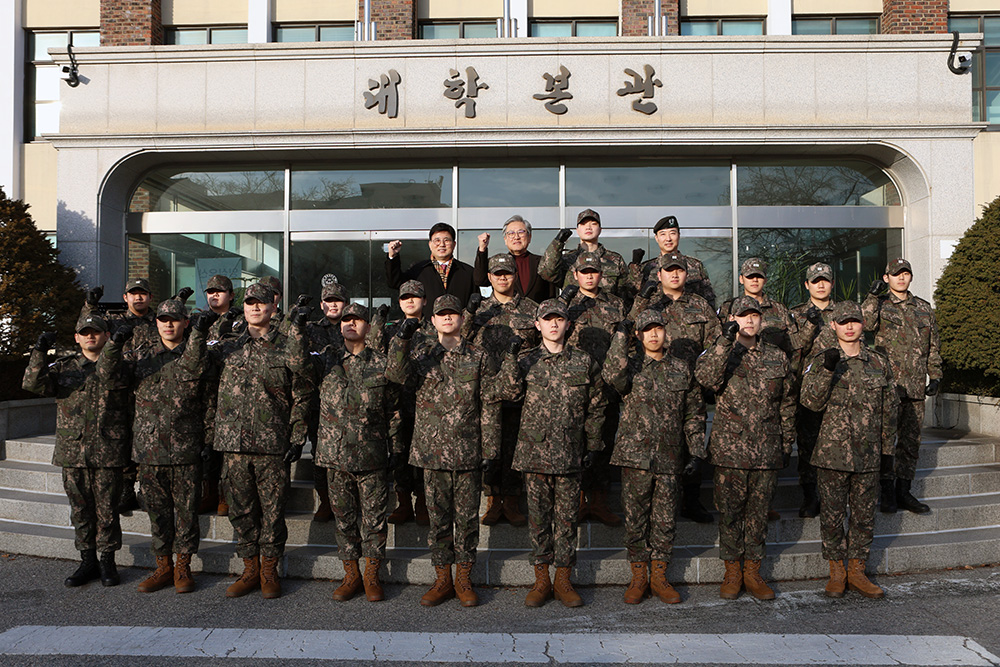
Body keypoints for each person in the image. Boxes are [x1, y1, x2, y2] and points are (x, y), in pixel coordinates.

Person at [386, 294, 501, 608]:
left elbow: (489, 404)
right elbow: (396, 376)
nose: (448, 318)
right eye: (442, 314)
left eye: (453, 313)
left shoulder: (479, 356)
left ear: (462, 320)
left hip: (468, 452)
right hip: (432, 452)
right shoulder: (422, 355)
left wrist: (490, 448)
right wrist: (402, 340)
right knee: (438, 521)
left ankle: (464, 579)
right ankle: (442, 579)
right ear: (433, 320)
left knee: (466, 521)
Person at [209, 282, 312, 599]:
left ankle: (269, 570)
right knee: (241, 512)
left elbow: (302, 391)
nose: (255, 307)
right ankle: (249, 569)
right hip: (234, 445)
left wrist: (297, 433)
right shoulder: (227, 346)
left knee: (272, 512)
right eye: (250, 302)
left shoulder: (287, 346)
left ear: (273, 307)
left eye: (261, 302)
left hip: (271, 445)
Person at [503, 298, 608, 608]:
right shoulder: (524, 361)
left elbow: (597, 405)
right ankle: (541, 579)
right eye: (547, 319)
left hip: (570, 452)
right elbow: (506, 394)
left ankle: (563, 579)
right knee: (538, 519)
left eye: (559, 319)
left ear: (567, 324)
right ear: (537, 325)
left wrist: (592, 444)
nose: (553, 324)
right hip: (534, 453)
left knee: (565, 520)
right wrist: (510, 360)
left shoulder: (584, 362)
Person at [603, 309, 707, 605]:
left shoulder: (682, 368)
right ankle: (638, 576)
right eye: (646, 329)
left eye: (658, 328)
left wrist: (696, 451)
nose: (653, 334)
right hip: (634, 457)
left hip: (670, 456)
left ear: (666, 332)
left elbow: (694, 413)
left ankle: (660, 576)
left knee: (664, 520)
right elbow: (612, 375)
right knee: (636, 519)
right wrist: (620, 338)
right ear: (638, 335)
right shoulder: (630, 366)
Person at [696, 295, 795, 601]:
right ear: (732, 320)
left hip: (766, 449)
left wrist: (786, 442)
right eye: (743, 316)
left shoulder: (777, 357)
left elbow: (787, 403)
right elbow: (706, 380)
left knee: (758, 514)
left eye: (754, 315)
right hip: (730, 451)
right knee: (729, 514)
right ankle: (732, 572)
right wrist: (725, 345)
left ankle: (753, 571)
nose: (750, 320)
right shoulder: (720, 353)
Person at [22, 314, 131, 588]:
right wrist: (38, 352)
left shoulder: (119, 366)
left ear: (106, 336)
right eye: (85, 332)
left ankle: (108, 561)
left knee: (107, 511)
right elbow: (33, 384)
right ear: (76, 337)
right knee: (80, 511)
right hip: (73, 452)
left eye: (96, 332)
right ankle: (87, 561)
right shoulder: (64, 368)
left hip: (108, 451)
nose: (90, 336)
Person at [800, 301, 898, 599]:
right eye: (844, 322)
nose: (850, 326)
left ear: (863, 324)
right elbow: (810, 402)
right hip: (832, 454)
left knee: (864, 516)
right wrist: (827, 370)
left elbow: (890, 409)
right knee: (831, 515)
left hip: (868, 453)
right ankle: (836, 572)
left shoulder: (879, 362)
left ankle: (857, 570)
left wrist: (887, 450)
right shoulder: (823, 360)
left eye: (855, 321)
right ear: (834, 326)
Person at [315, 303, 402, 603]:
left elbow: (393, 408)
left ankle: (371, 574)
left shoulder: (382, 363)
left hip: (371, 453)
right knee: (344, 519)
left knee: (375, 520)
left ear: (368, 326)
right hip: (335, 454)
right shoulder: (327, 359)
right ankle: (350, 574)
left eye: (358, 319)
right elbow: (297, 365)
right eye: (346, 320)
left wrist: (395, 446)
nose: (351, 324)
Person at [128, 298, 217, 594]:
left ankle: (183, 568)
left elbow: (208, 401)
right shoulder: (140, 358)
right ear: (156, 323)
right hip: (149, 450)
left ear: (186, 323)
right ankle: (163, 566)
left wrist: (207, 439)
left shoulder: (197, 354)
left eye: (175, 319)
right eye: (163, 319)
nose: (168, 324)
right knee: (158, 514)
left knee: (187, 514)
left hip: (185, 449)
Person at [628, 253, 720, 524]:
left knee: (692, 441)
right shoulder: (651, 304)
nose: (675, 275)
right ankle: (656, 503)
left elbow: (713, 344)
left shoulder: (701, 306)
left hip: (690, 385)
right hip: (654, 383)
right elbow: (630, 330)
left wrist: (704, 375)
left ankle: (691, 501)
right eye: (669, 271)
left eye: (680, 270)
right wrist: (642, 299)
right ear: (660, 275)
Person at [461, 254, 540, 526]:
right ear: (490, 277)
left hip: (522, 390)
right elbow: (459, 340)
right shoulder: (479, 310)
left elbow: (544, 345)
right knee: (490, 447)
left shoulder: (532, 309)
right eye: (497, 274)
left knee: (516, 446)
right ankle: (494, 500)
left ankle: (514, 500)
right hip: (488, 390)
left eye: (507, 273)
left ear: (515, 276)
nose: (502, 278)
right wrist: (469, 313)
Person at [862, 258, 943, 515]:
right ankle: (886, 492)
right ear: (887, 278)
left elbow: (933, 346)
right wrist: (871, 297)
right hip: (889, 387)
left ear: (910, 277)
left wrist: (936, 375)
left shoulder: (923, 308)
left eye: (905, 273)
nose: (901, 278)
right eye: (896, 274)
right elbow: (865, 325)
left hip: (915, 386)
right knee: (886, 441)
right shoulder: (880, 304)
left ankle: (904, 491)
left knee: (910, 443)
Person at [81, 277, 159, 515]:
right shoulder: (113, 321)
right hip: (119, 387)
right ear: (125, 297)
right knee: (122, 434)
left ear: (149, 297)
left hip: (150, 387)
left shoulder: (159, 321)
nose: (138, 297)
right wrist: (89, 306)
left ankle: (146, 488)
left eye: (142, 293)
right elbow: (86, 328)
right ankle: (125, 487)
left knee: (149, 435)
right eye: (133, 294)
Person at [560, 252, 625, 526]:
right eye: (584, 271)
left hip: (606, 384)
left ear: (601, 275)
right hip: (573, 385)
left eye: (594, 272)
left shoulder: (617, 305)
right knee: (572, 441)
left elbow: (627, 341)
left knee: (603, 443)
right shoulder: (566, 305)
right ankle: (575, 501)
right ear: (575, 275)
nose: (589, 276)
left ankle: (599, 502)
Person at [372, 280, 436, 526]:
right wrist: (378, 321)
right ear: (399, 302)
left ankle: (422, 502)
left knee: (422, 455)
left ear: (425, 301)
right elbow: (375, 351)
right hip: (395, 402)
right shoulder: (390, 329)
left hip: (424, 402)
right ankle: (403, 502)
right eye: (405, 297)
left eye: (415, 297)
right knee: (399, 453)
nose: (410, 301)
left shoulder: (433, 328)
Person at [790, 262, 838, 518]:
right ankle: (810, 496)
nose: (821, 284)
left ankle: (832, 496)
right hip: (807, 390)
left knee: (834, 444)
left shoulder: (843, 312)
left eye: (825, 280)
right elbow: (793, 350)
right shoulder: (795, 314)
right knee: (808, 445)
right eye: (815, 280)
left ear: (832, 283)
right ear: (807, 284)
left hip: (839, 389)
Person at [305, 274, 349, 524]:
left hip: (348, 402)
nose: (333, 305)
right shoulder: (311, 329)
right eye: (328, 301)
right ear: (321, 304)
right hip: (319, 403)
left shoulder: (353, 325)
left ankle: (345, 500)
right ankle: (325, 500)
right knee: (320, 455)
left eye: (338, 301)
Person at [385, 222, 476, 320]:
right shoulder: (418, 270)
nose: (442, 244)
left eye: (446, 240)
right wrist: (393, 257)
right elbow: (395, 282)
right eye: (437, 240)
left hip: (458, 329)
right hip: (426, 330)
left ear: (454, 244)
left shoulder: (468, 272)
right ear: (430, 245)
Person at [628, 215, 717, 309]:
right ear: (656, 238)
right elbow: (632, 299)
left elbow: (709, 300)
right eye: (663, 234)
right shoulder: (647, 268)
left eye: (672, 233)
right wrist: (634, 268)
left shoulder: (695, 265)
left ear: (679, 235)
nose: (668, 239)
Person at [538, 209, 628, 300]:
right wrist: (557, 243)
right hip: (574, 311)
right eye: (583, 224)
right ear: (577, 230)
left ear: (600, 230)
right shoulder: (568, 259)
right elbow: (546, 273)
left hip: (606, 311)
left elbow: (625, 293)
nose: (588, 227)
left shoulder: (615, 260)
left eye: (593, 224)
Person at [717, 258, 798, 359]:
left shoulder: (779, 309)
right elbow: (718, 341)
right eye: (750, 276)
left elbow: (793, 344)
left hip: (772, 367)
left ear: (765, 280)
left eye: (759, 276)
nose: (755, 280)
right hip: (736, 366)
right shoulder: (728, 307)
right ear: (741, 279)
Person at [472, 215, 554, 303]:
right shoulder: (496, 263)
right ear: (505, 239)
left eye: (521, 232)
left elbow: (551, 293)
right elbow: (480, 280)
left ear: (529, 237)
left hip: (538, 314)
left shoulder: (542, 262)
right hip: (508, 314)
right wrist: (482, 249)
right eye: (511, 233)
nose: (516, 237)